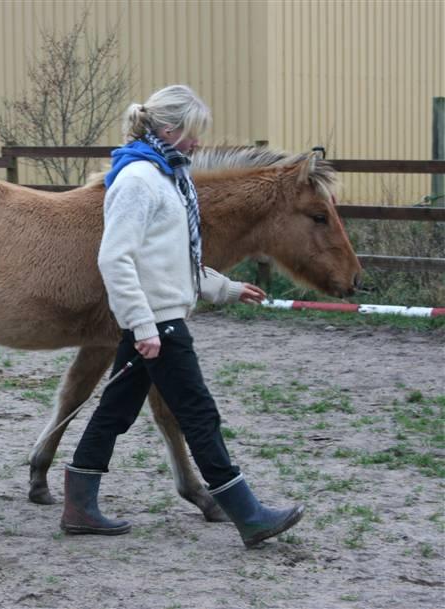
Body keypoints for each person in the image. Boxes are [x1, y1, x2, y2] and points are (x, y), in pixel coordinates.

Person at [60, 85, 304, 547]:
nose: (196, 143)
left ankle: (79, 506)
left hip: (156, 320)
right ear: (169, 130)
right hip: (158, 324)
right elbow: (116, 259)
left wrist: (224, 287)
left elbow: (170, 258)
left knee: (114, 413)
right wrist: (144, 325)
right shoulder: (137, 180)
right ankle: (249, 516)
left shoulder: (167, 175)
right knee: (198, 414)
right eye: (192, 133)